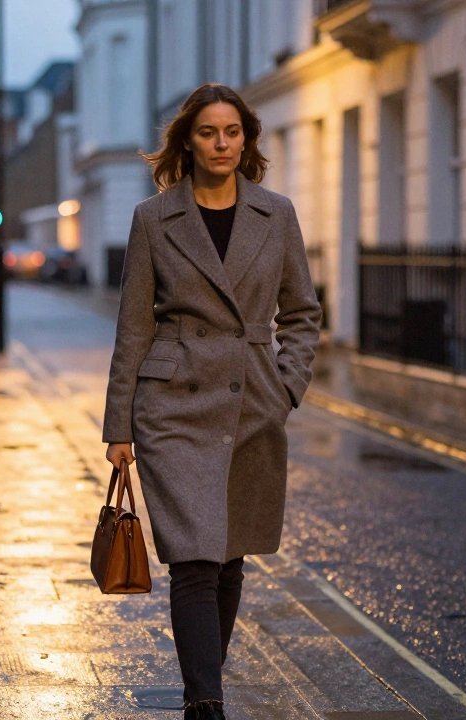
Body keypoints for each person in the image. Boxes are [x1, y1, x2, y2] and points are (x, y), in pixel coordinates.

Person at [102, 83, 321, 719]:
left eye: (232, 132)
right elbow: (134, 326)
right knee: (194, 558)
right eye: (207, 133)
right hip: (172, 403)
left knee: (229, 560)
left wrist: (286, 387)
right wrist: (120, 425)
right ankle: (206, 703)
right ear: (188, 142)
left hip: (253, 400)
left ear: (247, 139)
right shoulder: (154, 218)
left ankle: (206, 682)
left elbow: (302, 312)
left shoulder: (275, 214)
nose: (221, 143)